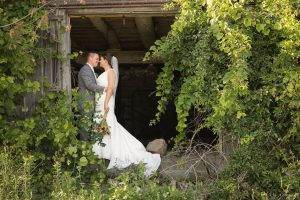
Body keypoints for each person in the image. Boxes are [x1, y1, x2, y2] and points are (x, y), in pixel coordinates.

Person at [92, 54, 161, 177]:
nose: (98, 62)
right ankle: (104, 151)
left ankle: (119, 151)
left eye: (100, 60)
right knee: (102, 126)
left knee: (108, 125)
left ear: (105, 60)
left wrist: (106, 103)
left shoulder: (111, 72)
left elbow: (110, 87)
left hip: (105, 103)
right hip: (101, 103)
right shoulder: (104, 73)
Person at [78, 52, 105, 141]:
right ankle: (83, 151)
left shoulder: (90, 70)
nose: (98, 61)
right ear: (90, 58)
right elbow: (89, 85)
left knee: (90, 127)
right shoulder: (85, 69)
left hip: (90, 104)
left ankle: (89, 149)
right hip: (86, 104)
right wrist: (105, 89)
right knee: (85, 129)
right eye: (96, 59)